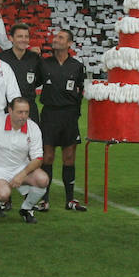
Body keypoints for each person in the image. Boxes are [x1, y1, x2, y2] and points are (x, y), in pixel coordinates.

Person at [36, 28, 87, 212]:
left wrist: (75, 114)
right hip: (49, 115)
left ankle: (70, 199)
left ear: (69, 44)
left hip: (69, 116)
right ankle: (44, 199)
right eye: (56, 37)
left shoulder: (77, 66)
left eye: (61, 37)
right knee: (47, 156)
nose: (56, 39)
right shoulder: (43, 64)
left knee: (69, 157)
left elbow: (80, 91)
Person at [0, 97, 48, 224]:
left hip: (20, 167)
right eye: (20, 112)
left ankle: (26, 209)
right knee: (3, 194)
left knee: (43, 179)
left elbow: (38, 158)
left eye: (26, 112)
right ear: (10, 111)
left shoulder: (33, 128)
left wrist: (21, 175)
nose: (23, 116)